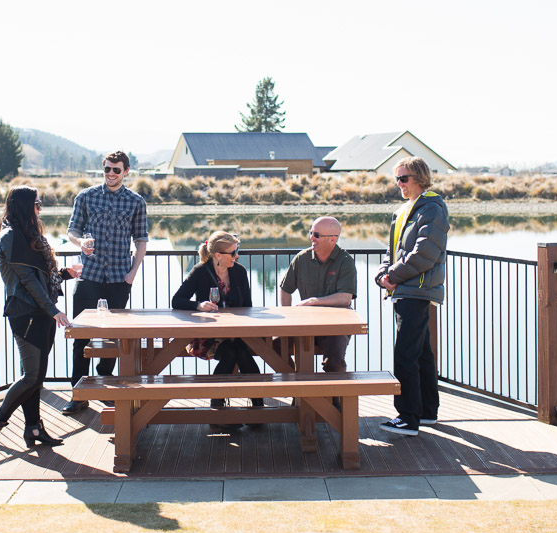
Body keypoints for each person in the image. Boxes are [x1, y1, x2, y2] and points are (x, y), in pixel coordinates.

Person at [0, 185, 79, 447]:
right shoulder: (11, 236)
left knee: (35, 377)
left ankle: (34, 429)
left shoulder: (28, 234)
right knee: (32, 376)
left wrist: (65, 274)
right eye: (37, 204)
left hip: (42, 312)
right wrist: (54, 310)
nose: (40, 208)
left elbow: (41, 277)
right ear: (26, 206)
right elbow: (27, 281)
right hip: (26, 313)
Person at [61, 151, 149, 415]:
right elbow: (72, 231)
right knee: (80, 336)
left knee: (113, 338)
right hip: (89, 275)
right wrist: (80, 243)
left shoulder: (136, 201)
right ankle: (78, 394)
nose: (111, 174)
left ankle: (106, 387)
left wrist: (133, 273)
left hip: (119, 278)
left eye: (116, 170)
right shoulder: (86, 196)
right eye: (107, 169)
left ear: (126, 172)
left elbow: (141, 240)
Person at [375, 156, 448, 437]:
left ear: (419, 177)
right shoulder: (405, 210)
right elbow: (392, 251)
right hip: (406, 289)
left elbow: (425, 253)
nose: (399, 184)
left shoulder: (432, 209)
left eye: (403, 178)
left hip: (416, 290)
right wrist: (382, 274)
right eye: (397, 179)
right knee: (422, 353)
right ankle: (427, 412)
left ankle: (407, 418)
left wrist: (393, 276)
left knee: (405, 354)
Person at [171, 231, 264, 413]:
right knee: (230, 353)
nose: (237, 256)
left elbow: (248, 306)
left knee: (241, 352)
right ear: (218, 255)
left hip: (238, 333)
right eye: (233, 253)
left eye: (237, 251)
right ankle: (218, 409)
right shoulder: (200, 272)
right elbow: (177, 300)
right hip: (209, 335)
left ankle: (257, 407)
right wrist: (198, 306)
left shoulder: (239, 272)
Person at [279, 216, 357, 373]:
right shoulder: (301, 258)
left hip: (336, 326)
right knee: (273, 346)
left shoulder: (345, 261)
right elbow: (285, 289)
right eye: (311, 233)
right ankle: (298, 382)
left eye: (317, 235)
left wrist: (314, 301)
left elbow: (345, 298)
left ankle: (336, 390)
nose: (311, 238)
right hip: (303, 324)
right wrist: (288, 316)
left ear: (332, 239)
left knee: (334, 363)